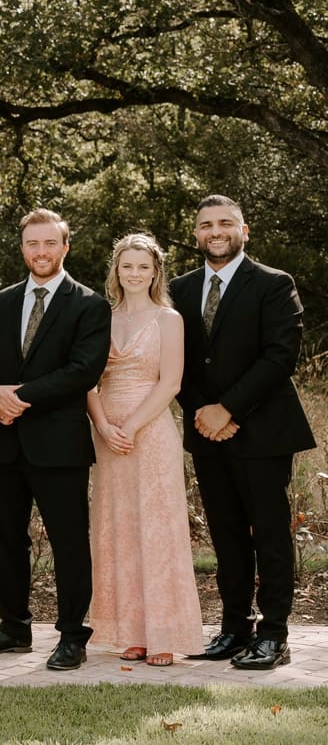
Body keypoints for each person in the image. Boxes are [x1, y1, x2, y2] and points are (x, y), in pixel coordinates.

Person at [0, 208, 109, 671]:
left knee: (68, 541)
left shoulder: (88, 304)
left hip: (59, 444)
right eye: (33, 244)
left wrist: (17, 396)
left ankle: (72, 636)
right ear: (23, 247)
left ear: (65, 247)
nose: (41, 252)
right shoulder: (4, 301)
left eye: (50, 243)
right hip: (3, 442)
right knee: (6, 539)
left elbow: (82, 371)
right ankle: (13, 628)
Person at [175, 196, 314, 670]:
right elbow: (177, 365)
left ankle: (274, 634)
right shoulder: (179, 289)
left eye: (225, 224)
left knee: (270, 533)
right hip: (205, 432)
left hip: (265, 431)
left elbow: (280, 356)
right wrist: (203, 413)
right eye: (206, 225)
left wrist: (228, 408)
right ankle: (234, 628)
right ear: (195, 234)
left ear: (244, 230)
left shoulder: (275, 284)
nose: (215, 231)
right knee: (226, 535)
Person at [86, 233, 202, 667]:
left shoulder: (169, 319)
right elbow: (87, 379)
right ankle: (131, 632)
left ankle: (164, 634)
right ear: (116, 271)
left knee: (158, 530)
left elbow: (170, 383)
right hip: (107, 432)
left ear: (155, 272)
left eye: (142, 267)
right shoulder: (101, 317)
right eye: (126, 266)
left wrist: (131, 426)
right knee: (117, 529)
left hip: (150, 432)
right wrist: (103, 425)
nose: (134, 274)